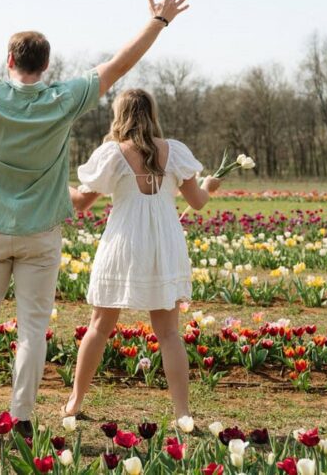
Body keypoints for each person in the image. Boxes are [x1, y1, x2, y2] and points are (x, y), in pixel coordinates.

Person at [0, 0, 191, 440]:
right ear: (47, 64)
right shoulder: (62, 100)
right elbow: (119, 64)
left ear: (9, 61)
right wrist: (158, 20)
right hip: (40, 236)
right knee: (32, 330)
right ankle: (22, 421)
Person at [63, 89, 221, 422]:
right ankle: (182, 413)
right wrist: (209, 186)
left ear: (119, 115)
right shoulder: (175, 152)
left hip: (125, 242)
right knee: (168, 333)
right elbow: (198, 202)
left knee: (99, 326)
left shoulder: (113, 154)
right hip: (163, 243)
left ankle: (75, 402)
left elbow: (79, 202)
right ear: (152, 114)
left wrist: (50, 182)